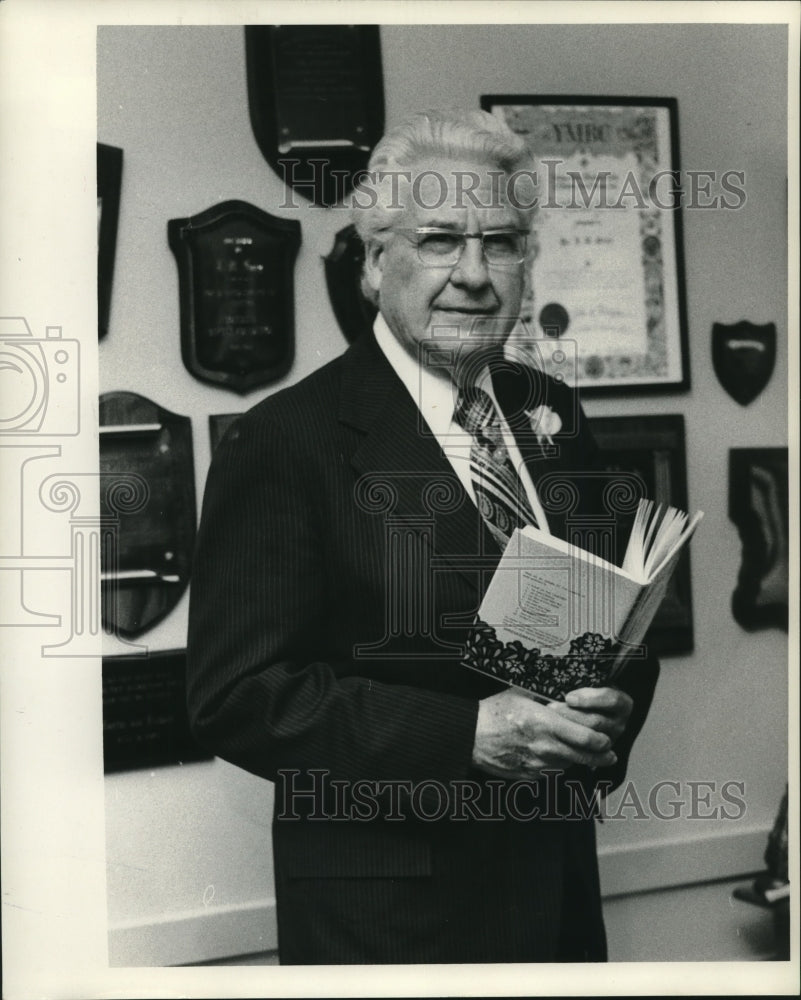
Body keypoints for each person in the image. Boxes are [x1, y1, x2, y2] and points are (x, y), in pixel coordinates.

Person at [186, 108, 659, 965]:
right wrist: (465, 737)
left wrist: (607, 712)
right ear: (374, 264)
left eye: (502, 243)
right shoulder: (287, 441)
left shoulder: (553, 418)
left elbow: (613, 631)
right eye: (441, 240)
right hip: (391, 928)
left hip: (554, 900)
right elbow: (237, 695)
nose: (475, 275)